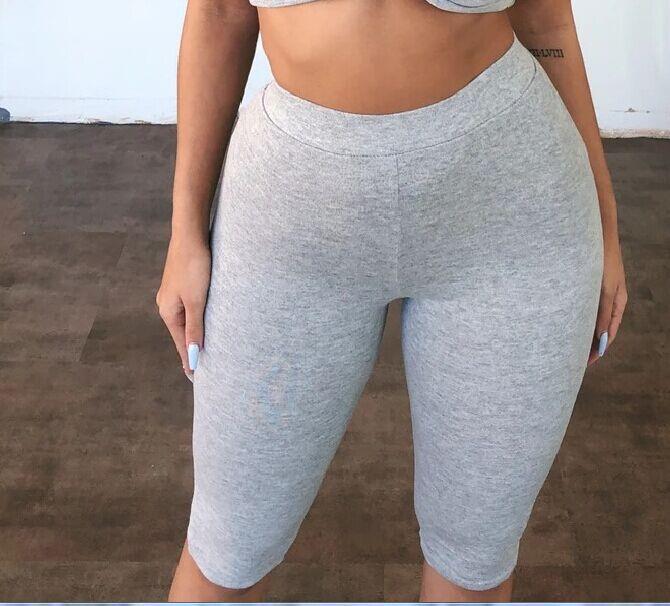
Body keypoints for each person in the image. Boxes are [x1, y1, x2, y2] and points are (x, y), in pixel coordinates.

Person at [156, 0, 628, 601]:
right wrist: (185, 231)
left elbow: (547, 20)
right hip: (291, 218)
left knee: (473, 560)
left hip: (510, 210)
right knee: (227, 549)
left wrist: (606, 224)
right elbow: (220, 13)